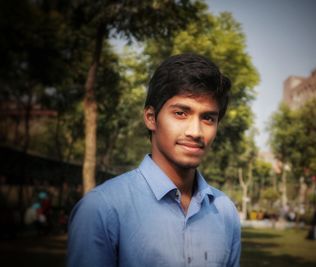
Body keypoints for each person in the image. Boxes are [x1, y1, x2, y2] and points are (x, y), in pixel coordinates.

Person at [67, 53, 241, 267]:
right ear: (151, 118)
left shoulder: (226, 212)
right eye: (180, 113)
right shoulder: (101, 209)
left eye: (208, 118)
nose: (196, 132)